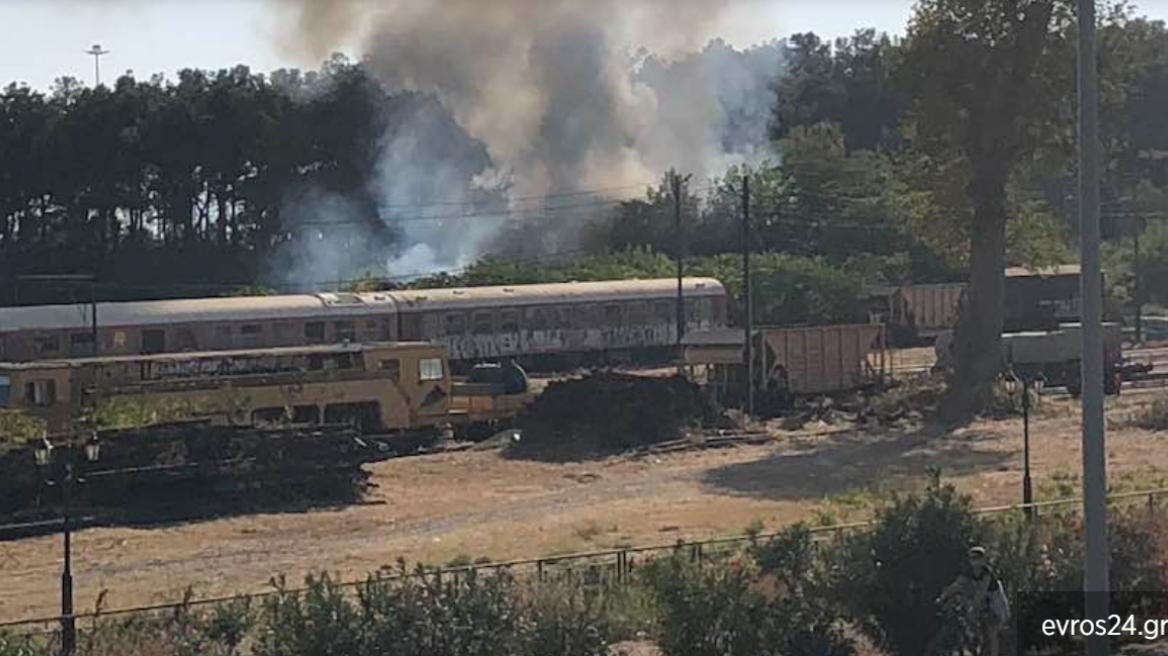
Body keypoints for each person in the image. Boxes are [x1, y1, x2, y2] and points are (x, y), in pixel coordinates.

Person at [934, 546, 1006, 656]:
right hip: (980, 598)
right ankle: (971, 640)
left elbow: (981, 593)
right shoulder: (968, 572)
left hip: (994, 599)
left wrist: (973, 608)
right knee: (965, 608)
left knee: (992, 630)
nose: (974, 561)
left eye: (977, 558)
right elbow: (956, 585)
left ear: (983, 560)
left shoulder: (986, 574)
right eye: (972, 558)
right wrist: (942, 598)